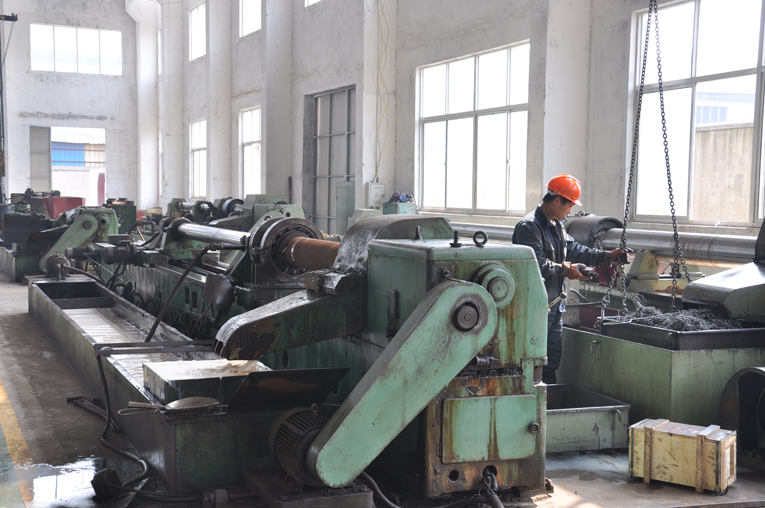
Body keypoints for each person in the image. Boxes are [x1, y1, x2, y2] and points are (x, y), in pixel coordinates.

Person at [512, 174, 630, 385]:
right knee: (532, 362)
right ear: (557, 200)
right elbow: (534, 265)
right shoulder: (529, 227)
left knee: (550, 362)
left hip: (555, 307)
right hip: (534, 310)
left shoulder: (557, 225)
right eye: (570, 205)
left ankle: (548, 402)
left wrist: (608, 256)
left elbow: (574, 250)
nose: (571, 210)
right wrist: (565, 269)